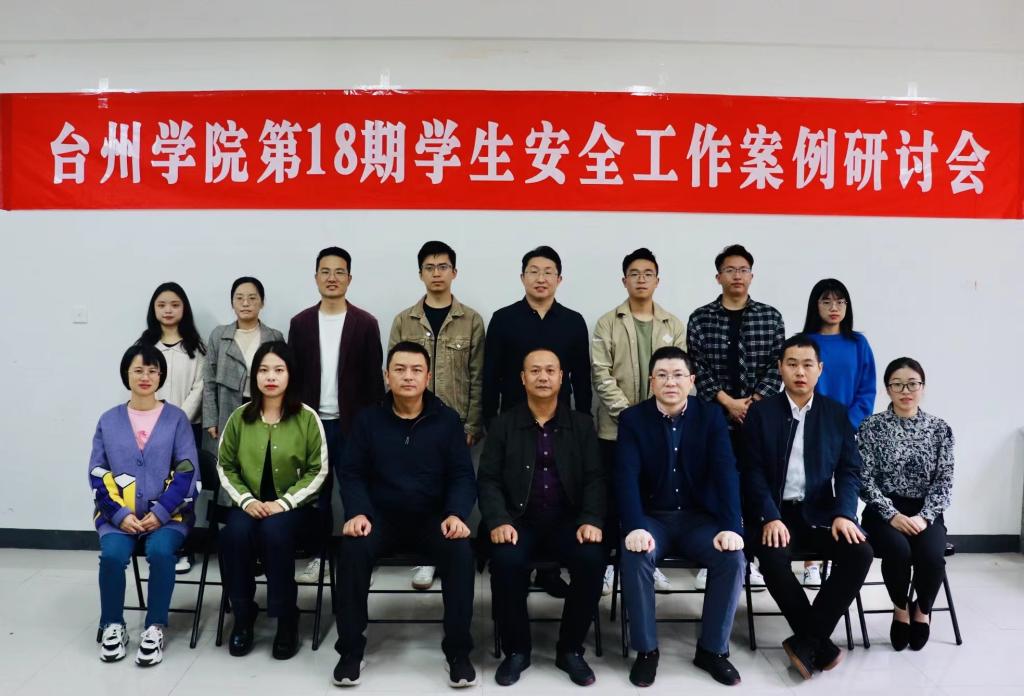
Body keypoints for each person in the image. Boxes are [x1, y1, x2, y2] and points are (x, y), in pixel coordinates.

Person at [332, 342, 478, 688]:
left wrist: (456, 514)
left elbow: (462, 474)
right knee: (351, 549)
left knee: (461, 552)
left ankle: (458, 652)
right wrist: (358, 512)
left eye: (416, 370)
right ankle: (350, 651)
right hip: (380, 518)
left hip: (433, 519)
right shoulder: (368, 420)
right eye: (399, 369)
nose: (408, 376)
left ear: (428, 377)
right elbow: (351, 472)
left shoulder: (447, 420)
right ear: (387, 375)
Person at [740, 335, 873, 681]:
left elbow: (849, 470)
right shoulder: (761, 413)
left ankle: (809, 640)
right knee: (772, 556)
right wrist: (769, 516)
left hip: (820, 513)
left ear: (820, 369)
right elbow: (751, 472)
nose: (800, 372)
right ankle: (820, 644)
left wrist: (844, 513)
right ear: (780, 368)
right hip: (774, 513)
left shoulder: (835, 413)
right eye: (792, 364)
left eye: (807, 365)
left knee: (860, 552)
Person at [616, 346, 745, 687]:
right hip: (652, 518)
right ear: (651, 382)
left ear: (691, 380)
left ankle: (712, 650)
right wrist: (634, 526)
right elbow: (625, 477)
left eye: (678, 375)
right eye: (662, 375)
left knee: (732, 558)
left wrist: (732, 526)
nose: (670, 382)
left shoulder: (711, 417)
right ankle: (647, 651)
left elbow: (726, 473)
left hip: (698, 519)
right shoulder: (632, 419)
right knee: (635, 554)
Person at [479, 349, 606, 687]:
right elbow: (488, 479)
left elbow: (595, 478)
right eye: (535, 371)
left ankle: (570, 649)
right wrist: (498, 520)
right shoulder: (504, 424)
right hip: (518, 520)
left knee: (592, 559)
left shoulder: (581, 424)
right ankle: (516, 650)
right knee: (505, 561)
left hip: (568, 521)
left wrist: (591, 519)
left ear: (562, 377)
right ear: (523, 378)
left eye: (550, 370)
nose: (543, 377)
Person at [483, 245, 592, 597]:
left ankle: (548, 573)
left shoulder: (572, 321)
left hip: (560, 423)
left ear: (559, 279)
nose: (541, 278)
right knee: (520, 492)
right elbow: (491, 374)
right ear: (522, 277)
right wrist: (489, 419)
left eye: (548, 272)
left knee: (554, 491)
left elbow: (582, 377)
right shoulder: (503, 319)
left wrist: (583, 419)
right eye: (533, 271)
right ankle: (517, 568)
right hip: (513, 424)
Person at [216, 341, 328, 660]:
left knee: (274, 531)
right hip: (248, 505)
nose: (271, 377)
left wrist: (284, 503)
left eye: (279, 370)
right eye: (264, 370)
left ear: (290, 375)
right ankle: (243, 615)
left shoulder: (307, 418)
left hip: (295, 509)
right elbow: (225, 465)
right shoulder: (240, 417)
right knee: (234, 534)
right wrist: (246, 500)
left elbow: (318, 470)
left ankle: (286, 617)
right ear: (255, 376)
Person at [90, 344, 199, 666]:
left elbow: (188, 471)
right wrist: (119, 514)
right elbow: (97, 472)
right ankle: (113, 624)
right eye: (138, 370)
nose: (145, 377)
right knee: (112, 556)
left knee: (161, 552)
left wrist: (161, 512)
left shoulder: (176, 419)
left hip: (170, 516)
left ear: (161, 376)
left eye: (153, 370)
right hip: (117, 516)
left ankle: (155, 626)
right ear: (126, 374)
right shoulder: (108, 420)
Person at [389, 240, 485, 592]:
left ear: (454, 272)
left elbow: (477, 375)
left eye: (443, 267)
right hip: (411, 422)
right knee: (420, 484)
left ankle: (449, 551)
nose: (436, 273)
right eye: (429, 268)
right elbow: (393, 372)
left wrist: (472, 423)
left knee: (454, 484)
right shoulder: (405, 320)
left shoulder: (471, 320)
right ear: (420, 274)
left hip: (455, 422)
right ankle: (427, 558)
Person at [686, 244, 783, 591]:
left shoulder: (770, 317)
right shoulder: (701, 318)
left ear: (751, 276)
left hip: (759, 419)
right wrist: (728, 402)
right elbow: (696, 366)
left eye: (743, 270)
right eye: (730, 270)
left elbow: (777, 365)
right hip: (714, 417)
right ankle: (715, 554)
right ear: (718, 277)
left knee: (756, 483)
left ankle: (751, 558)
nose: (737, 276)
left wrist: (752, 404)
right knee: (714, 483)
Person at [592, 247, 686, 595]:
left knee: (649, 497)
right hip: (615, 429)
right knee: (612, 498)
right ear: (624, 280)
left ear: (657, 280)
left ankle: (649, 560)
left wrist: (653, 418)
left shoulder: (672, 324)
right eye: (634, 273)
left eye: (648, 274)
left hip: (663, 429)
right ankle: (608, 564)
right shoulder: (608, 322)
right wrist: (632, 417)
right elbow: (601, 374)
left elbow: (679, 376)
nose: (641, 279)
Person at [288, 247, 385, 583]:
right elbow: (293, 378)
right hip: (312, 425)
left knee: (358, 492)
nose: (332, 278)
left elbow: (374, 382)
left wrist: (374, 428)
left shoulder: (366, 323)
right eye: (325, 272)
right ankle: (319, 556)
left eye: (339, 271)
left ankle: (362, 558)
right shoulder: (300, 323)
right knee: (317, 496)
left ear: (349, 278)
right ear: (316, 277)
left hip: (353, 425)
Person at [857, 357, 954, 651]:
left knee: (932, 556)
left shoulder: (939, 429)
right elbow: (864, 479)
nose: (905, 391)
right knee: (898, 551)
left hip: (926, 511)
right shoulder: (871, 427)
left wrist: (924, 517)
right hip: (882, 512)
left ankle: (921, 611)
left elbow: (944, 481)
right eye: (897, 385)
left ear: (922, 387)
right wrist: (892, 514)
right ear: (888, 389)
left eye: (912, 384)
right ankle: (900, 609)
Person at [799, 278, 876, 587]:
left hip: (847, 428)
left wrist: (847, 423)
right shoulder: (805, 341)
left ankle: (841, 552)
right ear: (815, 305)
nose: (834, 308)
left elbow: (867, 390)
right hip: (810, 426)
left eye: (840, 301)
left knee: (845, 485)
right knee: (813, 488)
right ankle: (811, 562)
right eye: (827, 301)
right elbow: (796, 384)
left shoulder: (858, 343)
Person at [137, 281, 207, 573]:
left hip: (187, 427)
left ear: (184, 309)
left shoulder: (196, 348)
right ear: (153, 309)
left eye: (175, 305)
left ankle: (182, 548)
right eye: (162, 305)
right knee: (154, 486)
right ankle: (155, 543)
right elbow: (139, 383)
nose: (168, 310)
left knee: (183, 488)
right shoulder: (144, 346)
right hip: (149, 428)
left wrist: (176, 419)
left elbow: (200, 387)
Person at [203, 276, 285, 441]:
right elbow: (209, 381)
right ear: (232, 303)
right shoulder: (219, 336)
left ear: (262, 303)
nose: (245, 303)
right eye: (239, 298)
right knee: (231, 451)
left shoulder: (274, 336)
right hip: (227, 408)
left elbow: (283, 380)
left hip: (265, 408)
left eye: (252, 298)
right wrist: (211, 419)